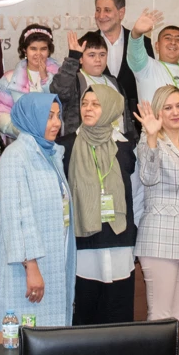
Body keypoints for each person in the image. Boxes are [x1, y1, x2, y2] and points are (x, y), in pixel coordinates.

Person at [0, 93, 76, 326]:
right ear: (32, 118)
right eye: (49, 117)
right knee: (22, 340)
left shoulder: (50, 153)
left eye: (58, 116)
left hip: (51, 261)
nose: (57, 123)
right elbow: (17, 217)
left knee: (50, 338)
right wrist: (31, 266)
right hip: (25, 268)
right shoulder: (16, 156)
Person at [61, 84, 136, 325]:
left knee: (118, 314)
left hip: (119, 240)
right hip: (83, 241)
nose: (88, 109)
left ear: (111, 108)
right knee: (85, 313)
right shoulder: (66, 146)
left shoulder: (125, 146)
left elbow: (136, 193)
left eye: (96, 104)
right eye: (85, 103)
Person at [133, 85, 179, 322]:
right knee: (161, 316)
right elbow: (148, 177)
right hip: (160, 237)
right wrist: (152, 136)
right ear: (158, 112)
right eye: (168, 107)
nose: (175, 112)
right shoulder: (149, 141)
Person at [127, 8, 179, 149]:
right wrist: (137, 33)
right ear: (157, 45)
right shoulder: (146, 67)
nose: (173, 42)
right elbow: (135, 54)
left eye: (178, 40)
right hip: (158, 143)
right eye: (167, 38)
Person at [89, 0, 153, 136]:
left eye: (107, 10)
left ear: (121, 13)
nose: (101, 16)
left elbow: (148, 83)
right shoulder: (85, 43)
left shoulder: (142, 43)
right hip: (96, 128)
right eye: (98, 10)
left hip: (134, 128)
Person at [0, 24, 59, 139]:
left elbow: (62, 107)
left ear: (49, 51)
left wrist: (45, 79)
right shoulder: (9, 79)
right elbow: (0, 111)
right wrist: (19, 131)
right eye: (33, 48)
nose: (38, 54)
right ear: (24, 50)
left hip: (53, 140)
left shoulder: (59, 76)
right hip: (20, 142)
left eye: (43, 49)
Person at [52, 30, 120, 138]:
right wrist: (72, 58)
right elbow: (59, 91)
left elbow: (125, 117)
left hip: (114, 143)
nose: (98, 60)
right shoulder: (75, 81)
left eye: (102, 55)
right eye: (91, 55)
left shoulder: (114, 82)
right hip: (83, 145)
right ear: (81, 59)